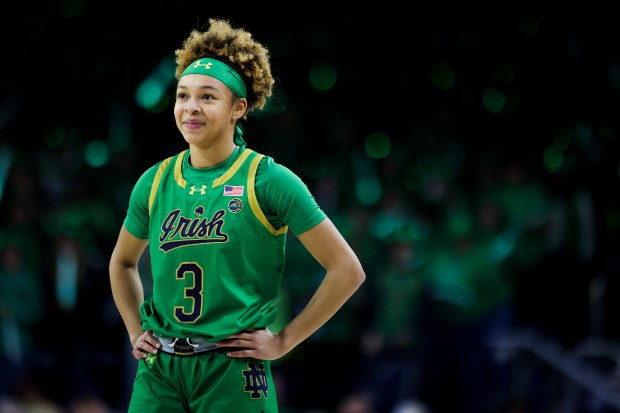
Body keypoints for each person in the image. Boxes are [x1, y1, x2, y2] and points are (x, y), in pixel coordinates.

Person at [109, 17, 366, 413]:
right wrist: (134, 329)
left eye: (208, 97)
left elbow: (347, 270)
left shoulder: (269, 180)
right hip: (160, 370)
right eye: (182, 96)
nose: (190, 107)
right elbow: (123, 263)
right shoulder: (155, 180)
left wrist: (284, 340)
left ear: (238, 108)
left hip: (231, 367)